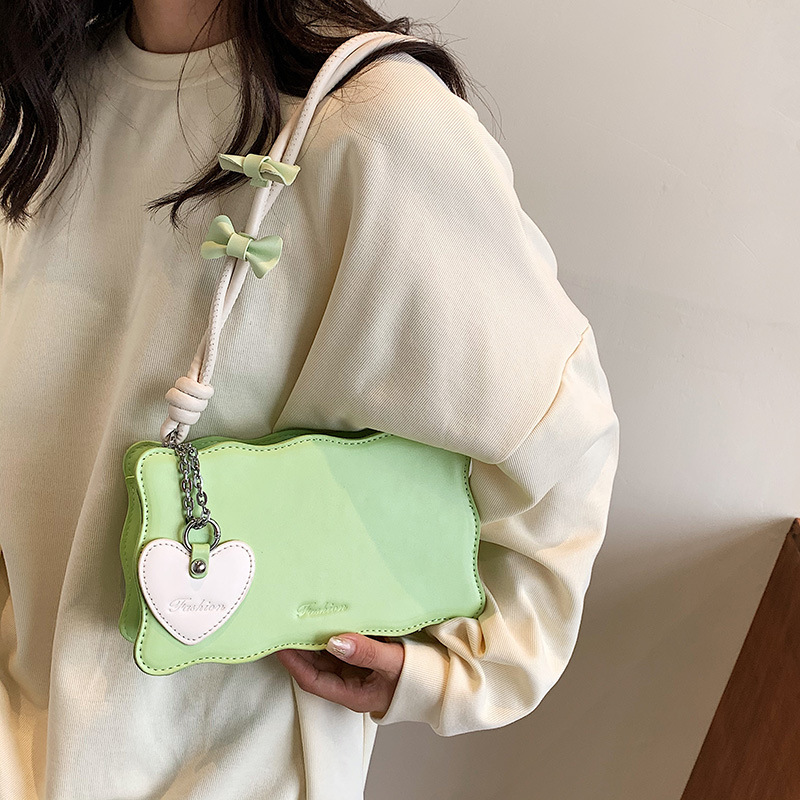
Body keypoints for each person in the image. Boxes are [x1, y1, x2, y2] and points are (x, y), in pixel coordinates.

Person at [0, 1, 621, 798]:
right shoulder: (41, 101)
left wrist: (457, 670)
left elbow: (553, 435)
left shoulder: (372, 124)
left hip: (221, 772)